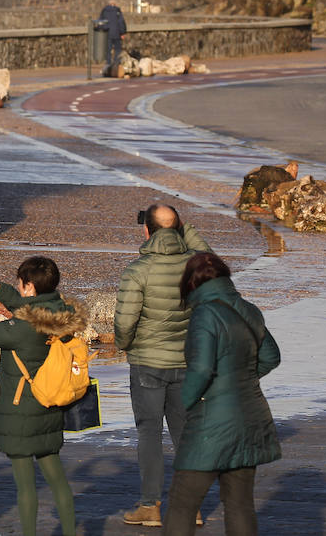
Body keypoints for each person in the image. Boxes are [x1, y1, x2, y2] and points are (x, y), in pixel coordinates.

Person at [0, 257, 83, 536]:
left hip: (21, 411)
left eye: (19, 284)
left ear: (29, 287)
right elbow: (30, 309)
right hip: (50, 405)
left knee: (26, 486)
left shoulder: (22, 329)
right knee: (57, 479)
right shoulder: (60, 313)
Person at [162, 252, 281, 536]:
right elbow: (270, 357)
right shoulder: (249, 309)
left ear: (190, 285)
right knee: (240, 504)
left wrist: (187, 402)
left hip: (212, 422)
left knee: (182, 504)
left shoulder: (204, 313)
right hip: (251, 417)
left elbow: (202, 370)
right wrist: (239, 380)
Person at [115, 205, 212, 527]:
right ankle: (191, 507)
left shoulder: (137, 270)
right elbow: (212, 260)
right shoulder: (195, 266)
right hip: (186, 363)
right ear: (177, 228)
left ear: (146, 230)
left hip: (147, 364)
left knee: (150, 434)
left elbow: (125, 323)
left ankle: (150, 506)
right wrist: (182, 228)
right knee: (185, 435)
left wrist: (126, 346)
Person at [98, 0, 129, 77]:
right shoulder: (117, 11)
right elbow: (121, 22)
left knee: (108, 49)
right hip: (116, 33)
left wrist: (103, 30)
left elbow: (100, 21)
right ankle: (116, 64)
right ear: (115, 4)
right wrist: (123, 32)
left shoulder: (104, 11)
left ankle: (108, 65)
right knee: (117, 49)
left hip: (107, 33)